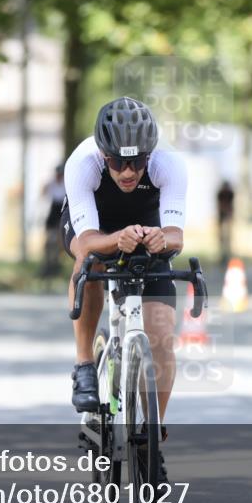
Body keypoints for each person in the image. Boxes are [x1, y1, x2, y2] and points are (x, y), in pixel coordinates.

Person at [60, 97, 187, 439]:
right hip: (94, 224)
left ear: (150, 154)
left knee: (161, 333)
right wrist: (117, 238)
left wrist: (162, 238)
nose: (128, 172)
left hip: (146, 221)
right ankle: (84, 365)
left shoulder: (169, 162)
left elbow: (176, 236)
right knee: (89, 263)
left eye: (137, 161)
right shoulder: (82, 163)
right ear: (104, 155)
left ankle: (151, 431)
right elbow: (87, 241)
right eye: (117, 162)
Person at [40, 164, 66, 279]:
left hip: (62, 212)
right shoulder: (51, 184)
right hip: (52, 214)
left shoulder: (66, 184)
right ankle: (48, 263)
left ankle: (56, 262)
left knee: (60, 240)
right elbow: (44, 196)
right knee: (49, 240)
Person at [216, 180, 235, 266]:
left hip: (227, 214)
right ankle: (223, 255)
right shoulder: (221, 193)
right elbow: (220, 205)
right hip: (222, 215)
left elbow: (231, 205)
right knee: (222, 237)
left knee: (228, 237)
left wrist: (230, 214)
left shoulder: (230, 193)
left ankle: (228, 254)